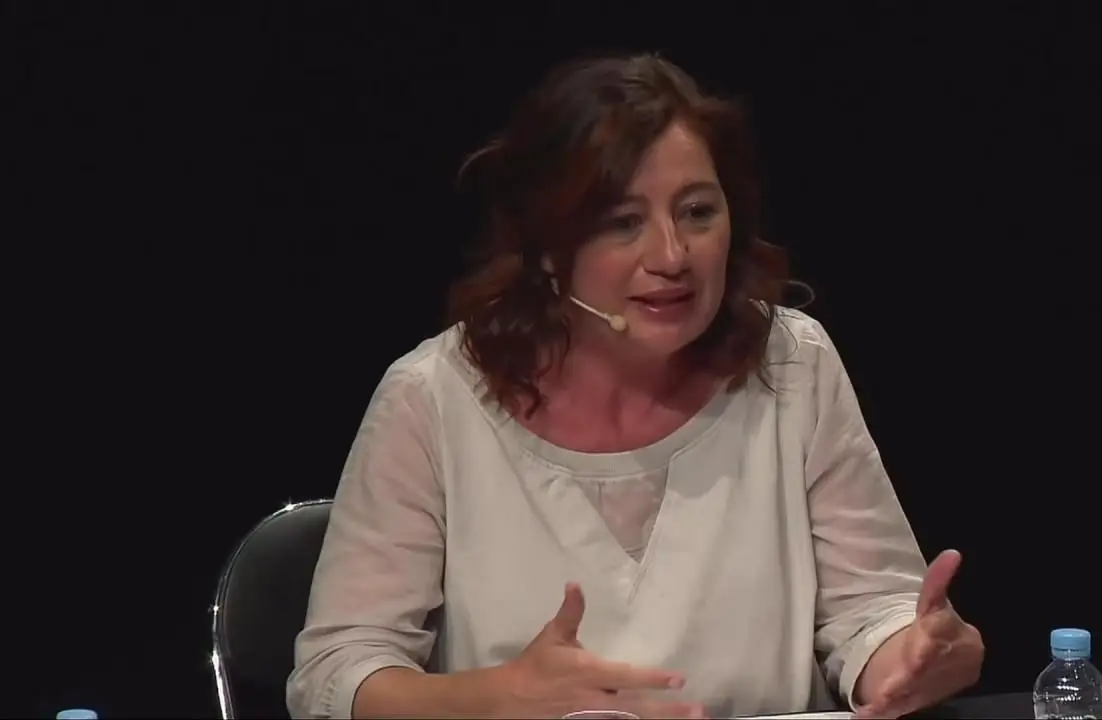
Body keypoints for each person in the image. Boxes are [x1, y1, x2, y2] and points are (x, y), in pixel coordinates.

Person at [286, 53, 984, 720]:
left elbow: (873, 613)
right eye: (623, 223)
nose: (672, 256)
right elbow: (336, 672)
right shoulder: (431, 398)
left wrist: (910, 655)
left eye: (697, 212)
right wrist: (495, 698)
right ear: (547, 249)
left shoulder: (793, 362)